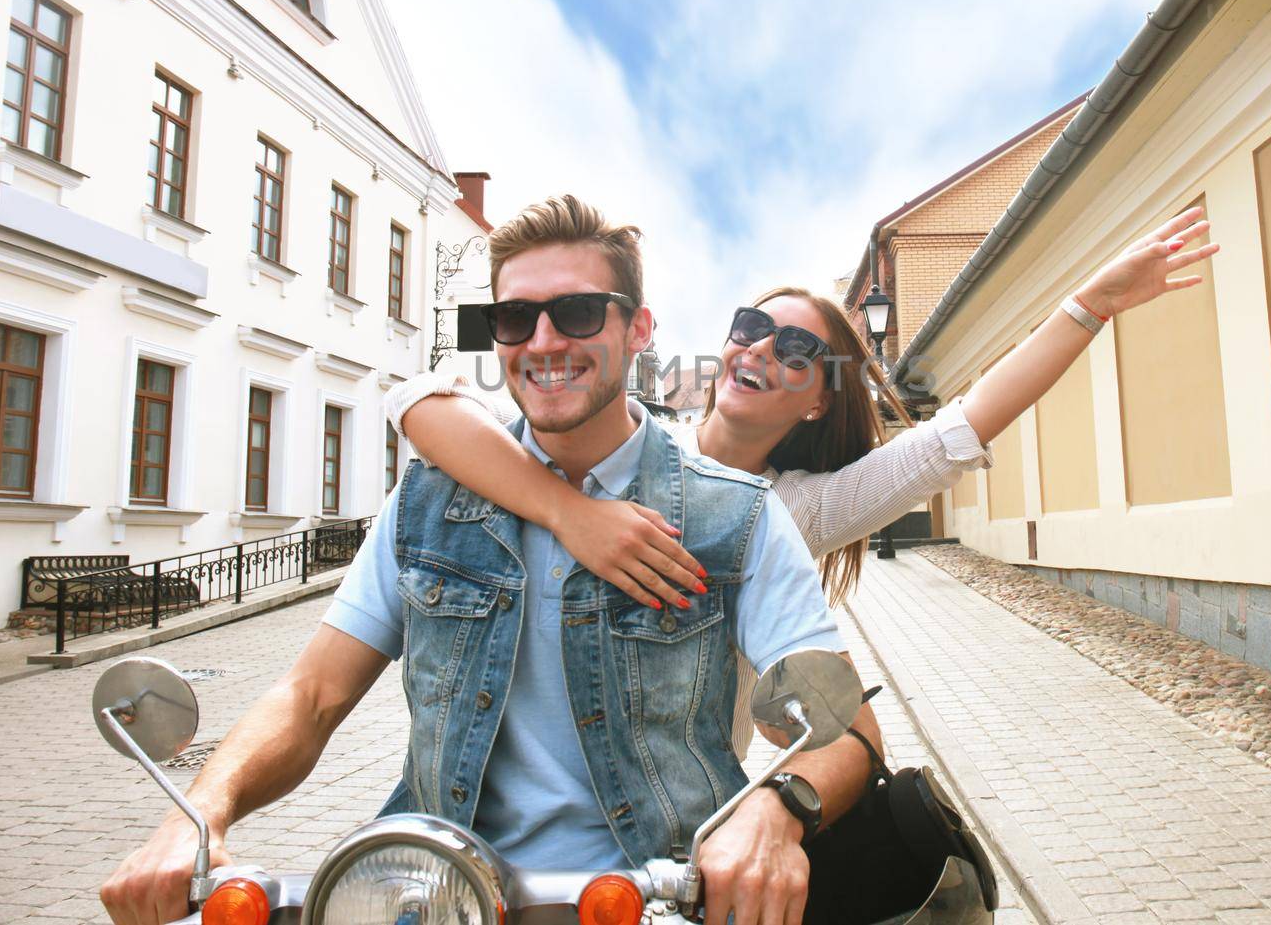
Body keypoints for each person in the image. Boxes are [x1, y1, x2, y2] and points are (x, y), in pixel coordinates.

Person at [100, 194, 882, 925]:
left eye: (577, 312)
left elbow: (848, 733)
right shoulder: (430, 503)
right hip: (434, 890)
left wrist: (779, 808)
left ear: (639, 329)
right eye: (515, 318)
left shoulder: (733, 517)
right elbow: (310, 695)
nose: (544, 342)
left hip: (660, 896)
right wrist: (198, 811)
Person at [388, 206, 1218, 754]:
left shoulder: (795, 510)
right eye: (751, 328)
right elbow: (422, 404)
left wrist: (1088, 306)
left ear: (822, 399)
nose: (758, 349)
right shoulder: (627, 438)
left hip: (670, 822)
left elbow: (957, 430)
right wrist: (571, 514)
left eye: (796, 351)